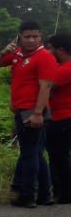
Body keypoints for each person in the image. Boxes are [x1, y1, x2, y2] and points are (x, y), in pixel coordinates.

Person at [0, 21, 57, 208]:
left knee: (29, 154)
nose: (32, 40)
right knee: (35, 153)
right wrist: (4, 51)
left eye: (35, 36)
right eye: (27, 37)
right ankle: (45, 194)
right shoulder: (17, 55)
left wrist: (38, 113)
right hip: (21, 110)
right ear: (19, 37)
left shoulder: (44, 57)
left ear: (40, 37)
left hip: (33, 111)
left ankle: (27, 195)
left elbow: (46, 86)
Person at [44, 32, 71, 205]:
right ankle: (60, 191)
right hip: (57, 118)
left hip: (62, 118)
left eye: (50, 48)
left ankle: (65, 193)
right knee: (57, 156)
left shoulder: (65, 69)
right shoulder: (62, 66)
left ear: (60, 50)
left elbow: (45, 83)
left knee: (59, 157)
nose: (47, 51)